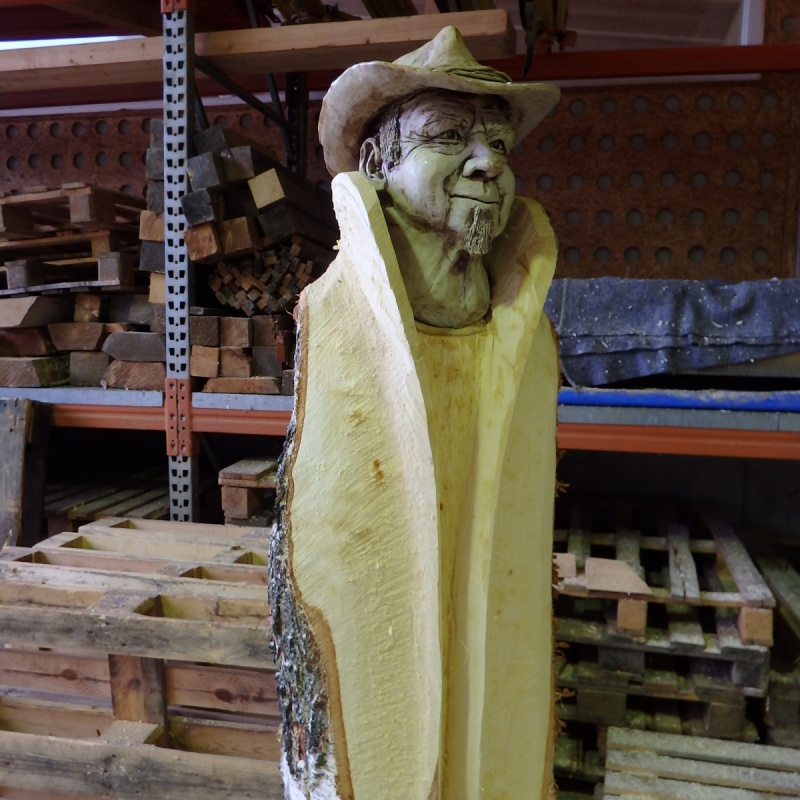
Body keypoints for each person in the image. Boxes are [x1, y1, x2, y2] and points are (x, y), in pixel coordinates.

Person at [270, 26, 561, 800]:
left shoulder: (529, 332)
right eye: (449, 138)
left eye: (499, 144)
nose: (488, 164)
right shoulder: (333, 315)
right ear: (377, 164)